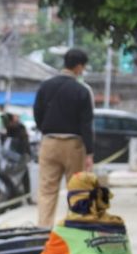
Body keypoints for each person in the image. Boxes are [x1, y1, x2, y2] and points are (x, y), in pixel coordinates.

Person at [33, 48, 94, 228]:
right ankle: (76, 229)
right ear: (79, 67)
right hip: (73, 144)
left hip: (49, 142)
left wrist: (45, 129)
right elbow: (86, 124)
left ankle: (43, 230)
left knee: (47, 189)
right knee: (77, 189)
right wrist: (89, 152)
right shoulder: (82, 91)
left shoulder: (45, 86)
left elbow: (37, 113)